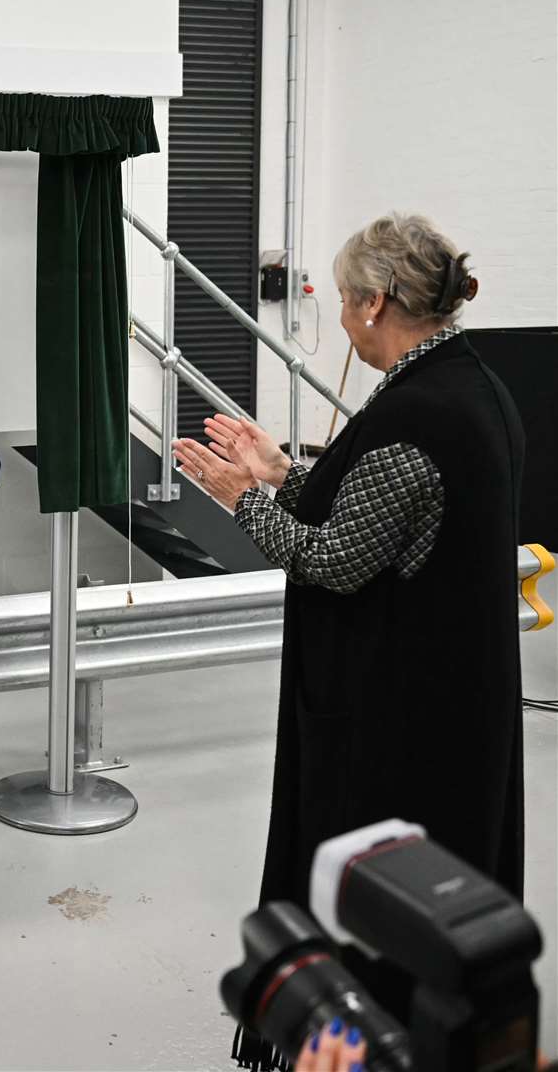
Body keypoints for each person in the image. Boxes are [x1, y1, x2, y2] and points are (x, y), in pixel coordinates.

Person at [174, 213, 525, 1057]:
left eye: (339, 302)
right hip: (459, 709)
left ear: (374, 303)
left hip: (398, 729)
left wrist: (241, 499)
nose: (336, 318)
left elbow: (334, 560)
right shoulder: (469, 385)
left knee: (382, 908)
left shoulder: (418, 418)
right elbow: (379, 514)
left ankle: (362, 1038)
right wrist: (286, 472)